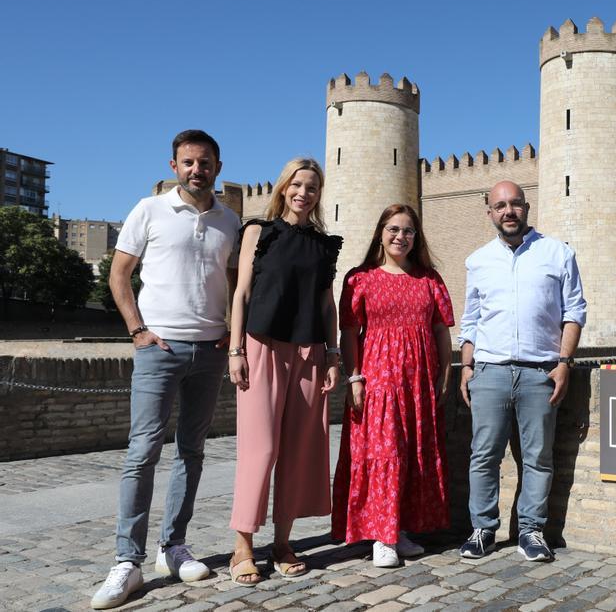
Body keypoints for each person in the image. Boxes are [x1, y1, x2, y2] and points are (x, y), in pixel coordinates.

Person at [91, 130, 242, 610]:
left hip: (210, 350)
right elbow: (119, 273)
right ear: (175, 165)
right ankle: (126, 561)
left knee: (192, 452)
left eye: (205, 162)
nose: (197, 169)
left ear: (218, 166)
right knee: (142, 452)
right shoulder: (149, 209)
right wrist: (137, 330)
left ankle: (172, 547)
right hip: (160, 348)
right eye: (189, 162)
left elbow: (236, 282)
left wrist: (230, 333)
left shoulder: (230, 221)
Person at [226, 157, 342, 585]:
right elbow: (240, 294)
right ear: (283, 188)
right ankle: (243, 544)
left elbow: (327, 304)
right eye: (297, 185)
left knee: (299, 451)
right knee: (261, 448)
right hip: (262, 345)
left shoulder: (324, 244)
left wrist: (333, 355)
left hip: (310, 351)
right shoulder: (259, 232)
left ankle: (282, 541)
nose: (303, 193)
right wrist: (235, 350)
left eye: (312, 187)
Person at [458, 180, 586, 562]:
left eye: (515, 204)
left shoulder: (557, 253)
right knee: (484, 456)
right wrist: (467, 366)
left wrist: (564, 363)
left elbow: (574, 312)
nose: (508, 211)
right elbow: (471, 320)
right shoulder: (478, 260)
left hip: (539, 373)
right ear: (490, 213)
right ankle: (482, 529)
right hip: (490, 371)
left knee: (538, 457)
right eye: (500, 206)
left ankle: (531, 531)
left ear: (527, 208)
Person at [331, 204, 454, 567]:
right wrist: (354, 378)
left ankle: (398, 527)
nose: (401, 237)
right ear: (380, 234)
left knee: (413, 454)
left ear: (417, 238)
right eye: (394, 229)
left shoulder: (429, 279)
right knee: (384, 455)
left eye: (408, 231)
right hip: (378, 379)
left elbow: (440, 332)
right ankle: (381, 536)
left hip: (418, 381)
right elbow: (349, 333)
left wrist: (444, 374)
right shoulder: (360, 279)